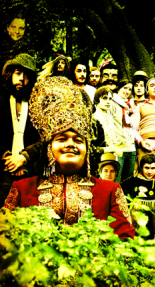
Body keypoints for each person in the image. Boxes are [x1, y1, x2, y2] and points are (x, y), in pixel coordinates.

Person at [3, 77, 135, 239]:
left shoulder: (109, 192)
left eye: (78, 140)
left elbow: (125, 241)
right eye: (62, 139)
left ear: (87, 149)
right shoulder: (22, 190)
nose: (70, 144)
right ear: (49, 147)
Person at [0, 54, 40, 207]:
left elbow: (45, 138)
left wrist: (24, 157)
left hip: (32, 171)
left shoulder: (38, 105)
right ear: (10, 74)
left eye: (27, 75)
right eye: (18, 73)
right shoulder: (0, 101)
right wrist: (8, 158)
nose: (22, 79)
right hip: (3, 170)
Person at [121, 154, 155, 241]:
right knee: (137, 203)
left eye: (153, 168)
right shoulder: (131, 181)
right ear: (141, 167)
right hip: (137, 216)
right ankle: (133, 236)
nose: (150, 172)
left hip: (154, 219)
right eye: (147, 168)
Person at [113, 79, 136, 183]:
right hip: (119, 146)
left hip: (131, 147)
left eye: (129, 89)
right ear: (118, 88)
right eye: (124, 88)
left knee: (128, 182)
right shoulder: (112, 102)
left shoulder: (131, 105)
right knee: (116, 180)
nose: (127, 91)